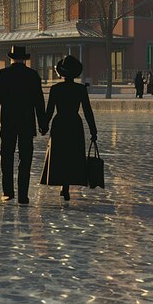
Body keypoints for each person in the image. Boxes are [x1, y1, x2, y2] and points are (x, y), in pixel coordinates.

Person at [0, 45, 47, 205]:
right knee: (25, 158)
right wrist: (43, 123)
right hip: (27, 123)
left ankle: (8, 192)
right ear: (25, 59)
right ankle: (23, 195)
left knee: (6, 157)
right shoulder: (33, 76)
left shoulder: (2, 75)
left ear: (11, 58)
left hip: (8, 122)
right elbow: (39, 102)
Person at [40, 55, 97, 202]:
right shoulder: (80, 89)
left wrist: (44, 126)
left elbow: (50, 110)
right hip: (74, 123)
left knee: (60, 154)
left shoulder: (55, 89)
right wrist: (93, 130)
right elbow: (87, 111)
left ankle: (63, 185)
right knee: (72, 155)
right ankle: (66, 186)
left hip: (60, 123)